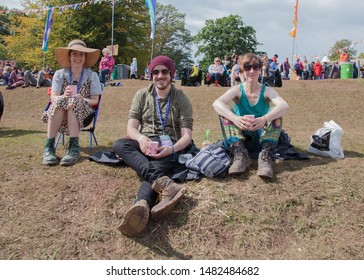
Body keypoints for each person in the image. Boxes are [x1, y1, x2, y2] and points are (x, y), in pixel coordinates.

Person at [113, 55, 193, 237]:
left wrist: (172, 149)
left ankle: (141, 204)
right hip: (146, 142)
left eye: (164, 71)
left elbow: (187, 137)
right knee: (119, 144)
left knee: (155, 166)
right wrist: (141, 139)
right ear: (151, 75)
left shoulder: (181, 98)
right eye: (155, 72)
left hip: (169, 145)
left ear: (171, 75)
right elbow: (131, 128)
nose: (160, 75)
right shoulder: (142, 95)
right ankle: (167, 185)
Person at [212, 53, 289, 179]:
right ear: (242, 70)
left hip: (261, 138)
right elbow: (217, 103)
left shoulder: (267, 90)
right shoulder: (237, 90)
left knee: (276, 111)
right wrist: (235, 118)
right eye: (247, 67)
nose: (251, 71)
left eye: (255, 67)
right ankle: (240, 155)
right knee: (225, 113)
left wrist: (263, 119)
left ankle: (265, 156)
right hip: (239, 137)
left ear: (260, 69)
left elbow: (284, 106)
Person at [41, 39, 102, 166]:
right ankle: (49, 148)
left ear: (85, 57)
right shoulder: (59, 74)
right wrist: (64, 96)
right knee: (60, 102)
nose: (78, 57)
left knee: (74, 101)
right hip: (61, 113)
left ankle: (74, 148)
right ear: (69, 56)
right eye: (74, 54)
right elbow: (53, 97)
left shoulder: (92, 75)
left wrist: (82, 99)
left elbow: (94, 101)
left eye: (81, 54)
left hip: (84, 114)